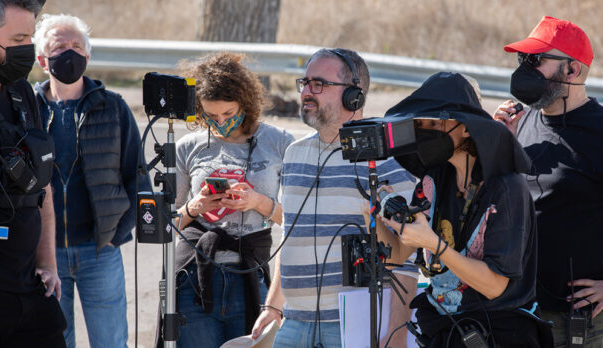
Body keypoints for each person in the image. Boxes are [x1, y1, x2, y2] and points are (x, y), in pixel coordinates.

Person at [251, 48, 418, 348]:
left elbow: (407, 260)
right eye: (305, 83)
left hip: (351, 327)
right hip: (293, 323)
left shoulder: (386, 163)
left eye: (319, 84)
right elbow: (290, 237)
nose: (307, 92)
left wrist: (396, 333)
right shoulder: (293, 155)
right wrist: (273, 306)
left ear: (353, 96)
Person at [380, 72, 553, 346]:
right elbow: (396, 255)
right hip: (444, 330)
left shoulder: (506, 187)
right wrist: (374, 214)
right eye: (420, 124)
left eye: (433, 123)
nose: (424, 131)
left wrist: (435, 244)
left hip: (499, 334)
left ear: (467, 127)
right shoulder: (434, 178)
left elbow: (494, 286)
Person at [33, 13, 148, 348]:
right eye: (60, 47)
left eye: (77, 46)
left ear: (88, 55)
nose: (70, 53)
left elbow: (136, 176)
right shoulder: (28, 108)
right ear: (42, 60)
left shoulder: (113, 108)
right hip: (45, 255)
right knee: (56, 340)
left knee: (111, 341)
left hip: (100, 252)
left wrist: (116, 234)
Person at [172, 52, 295, 348]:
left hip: (249, 276)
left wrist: (257, 202)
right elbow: (165, 222)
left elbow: (297, 219)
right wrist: (195, 207)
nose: (221, 122)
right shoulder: (187, 146)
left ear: (246, 103)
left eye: (229, 114)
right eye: (210, 116)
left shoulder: (279, 142)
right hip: (194, 276)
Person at [494, 16, 603, 347]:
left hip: (585, 322)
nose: (525, 71)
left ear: (572, 70)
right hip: (524, 309)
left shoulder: (599, 132)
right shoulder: (521, 122)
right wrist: (500, 146)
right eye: (522, 60)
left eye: (536, 61)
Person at [0, 1, 67, 347]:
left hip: (28, 288)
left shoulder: (22, 92)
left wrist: (49, 265)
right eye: (19, 38)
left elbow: (44, 187)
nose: (27, 48)